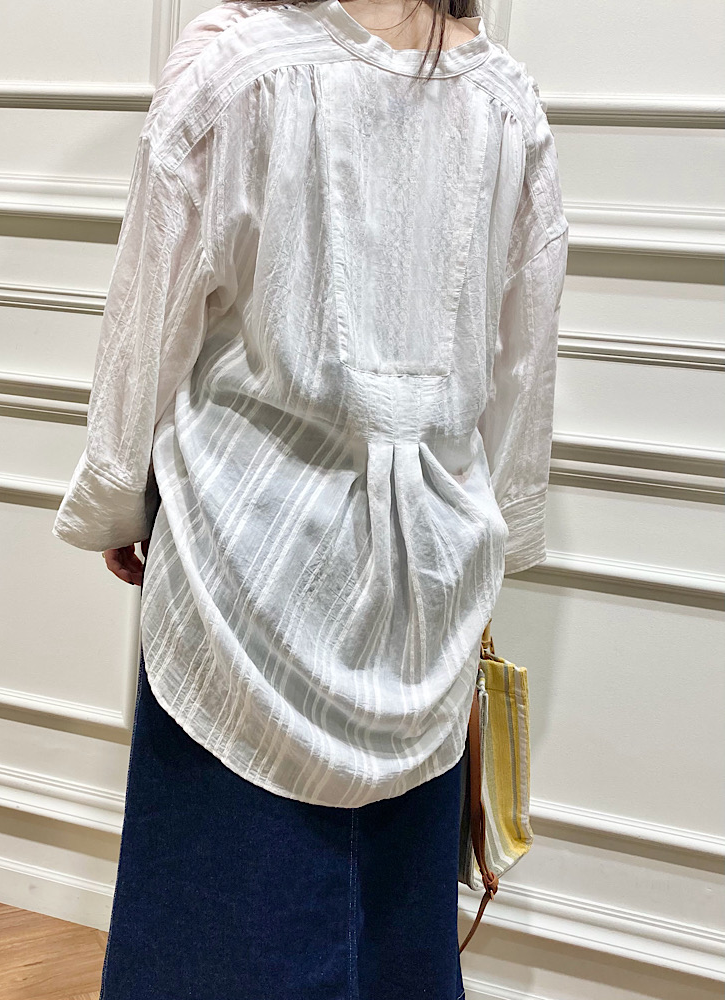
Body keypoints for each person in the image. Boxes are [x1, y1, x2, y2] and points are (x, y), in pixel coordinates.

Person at [52, 1, 569, 996]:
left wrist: (119, 496)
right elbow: (523, 363)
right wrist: (491, 532)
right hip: (423, 593)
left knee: (215, 935)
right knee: (394, 936)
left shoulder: (233, 68)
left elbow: (150, 316)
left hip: (243, 571)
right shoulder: (510, 104)